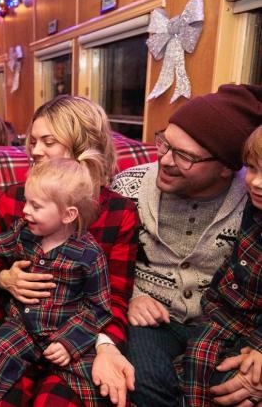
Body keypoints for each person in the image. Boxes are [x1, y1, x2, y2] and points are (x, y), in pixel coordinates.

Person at [0, 95, 140, 407]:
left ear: (83, 144)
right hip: (16, 328)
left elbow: (116, 296)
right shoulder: (14, 201)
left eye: (48, 141)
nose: (34, 150)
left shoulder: (119, 212)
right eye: (33, 141)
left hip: (80, 339)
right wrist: (3, 278)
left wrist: (107, 346)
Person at [109, 83, 262, 407]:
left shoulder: (252, 202)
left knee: (235, 390)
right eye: (164, 143)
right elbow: (102, 259)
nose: (164, 160)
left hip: (223, 326)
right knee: (142, 380)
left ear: (228, 167)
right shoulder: (128, 186)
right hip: (150, 320)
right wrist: (130, 299)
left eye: (185, 156)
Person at [0, 156, 112, 407]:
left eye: (36, 205)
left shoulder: (89, 254)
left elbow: (98, 309)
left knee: (99, 389)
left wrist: (69, 343)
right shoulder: (23, 231)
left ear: (68, 215)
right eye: (26, 202)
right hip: (20, 326)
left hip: (63, 332)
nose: (25, 210)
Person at [182, 125, 262, 407]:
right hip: (224, 314)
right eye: (252, 169)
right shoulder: (253, 210)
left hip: (255, 330)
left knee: (235, 384)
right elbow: (235, 260)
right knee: (196, 360)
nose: (256, 182)